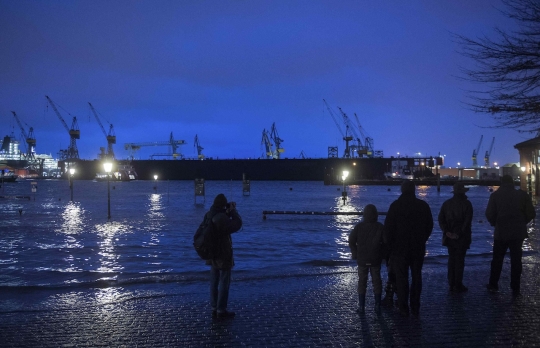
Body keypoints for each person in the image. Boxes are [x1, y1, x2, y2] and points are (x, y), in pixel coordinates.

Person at [384, 180, 433, 316]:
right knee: (417, 276)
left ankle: (403, 305)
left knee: (401, 277)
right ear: (414, 190)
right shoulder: (423, 205)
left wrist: (389, 248)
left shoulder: (395, 206)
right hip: (418, 247)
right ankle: (415, 304)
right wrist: (423, 239)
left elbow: (388, 229)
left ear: (401, 190)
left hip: (399, 249)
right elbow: (429, 225)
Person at [485, 175, 536, 296]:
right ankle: (515, 286)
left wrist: (495, 223)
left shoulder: (495, 196)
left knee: (497, 260)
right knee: (516, 260)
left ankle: (493, 284)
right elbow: (531, 213)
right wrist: (522, 222)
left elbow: (489, 214)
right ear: (513, 182)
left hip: (501, 232)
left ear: (502, 182)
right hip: (518, 233)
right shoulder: (523, 195)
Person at [204, 193, 242, 318]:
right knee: (224, 282)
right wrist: (233, 211)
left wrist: (226, 212)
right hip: (222, 252)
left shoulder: (209, 214)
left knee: (214, 281)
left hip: (212, 252)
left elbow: (221, 224)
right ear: (222, 205)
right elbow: (237, 224)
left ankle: (214, 306)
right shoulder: (221, 217)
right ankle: (221, 309)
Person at [348, 204, 387, 313]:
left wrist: (354, 252)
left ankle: (361, 307)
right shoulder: (380, 227)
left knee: (362, 282)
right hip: (375, 258)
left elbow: (351, 240)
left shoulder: (359, 227)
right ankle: (377, 305)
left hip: (362, 258)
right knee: (377, 281)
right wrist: (383, 254)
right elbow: (386, 242)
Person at [438, 182, 473, 293]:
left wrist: (447, 231)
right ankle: (458, 283)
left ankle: (451, 283)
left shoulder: (446, 204)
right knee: (460, 260)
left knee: (451, 259)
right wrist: (459, 233)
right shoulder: (467, 204)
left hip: (449, 236)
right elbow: (467, 222)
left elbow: (441, 219)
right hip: (462, 237)